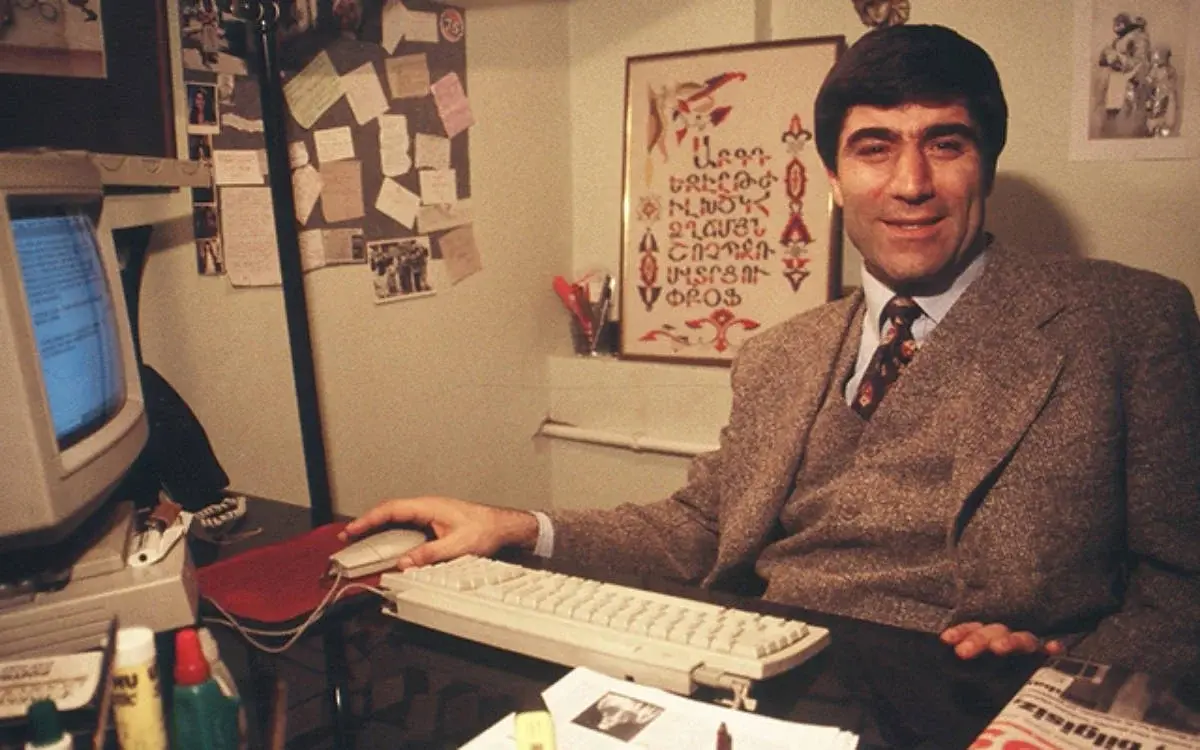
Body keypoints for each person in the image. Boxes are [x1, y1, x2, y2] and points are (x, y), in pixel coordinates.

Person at [344, 25, 1200, 679]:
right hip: (762, 675)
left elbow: (1184, 588)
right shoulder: (780, 356)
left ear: (986, 162)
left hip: (967, 697)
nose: (911, 183)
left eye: (946, 143)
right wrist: (519, 527)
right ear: (831, 180)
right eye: (874, 148)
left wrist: (1069, 670)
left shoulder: (1125, 322)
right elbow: (698, 528)